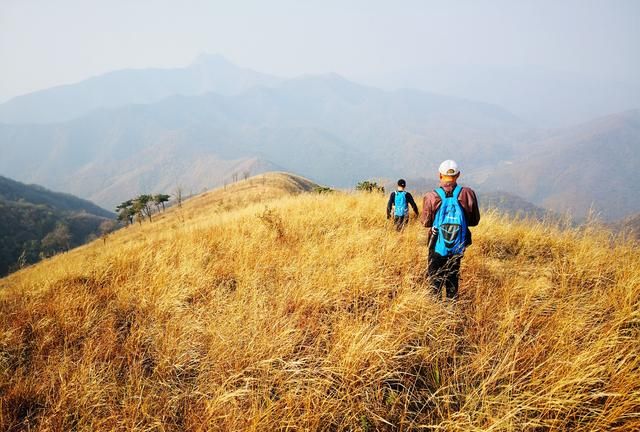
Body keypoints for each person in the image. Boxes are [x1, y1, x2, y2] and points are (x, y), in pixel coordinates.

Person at [421, 160, 480, 299]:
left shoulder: (432, 196)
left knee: (435, 277)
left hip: (436, 244)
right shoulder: (467, 194)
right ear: (458, 175)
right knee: (453, 276)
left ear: (440, 175)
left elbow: (425, 222)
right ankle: (452, 307)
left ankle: (436, 310)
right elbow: (474, 221)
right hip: (458, 245)